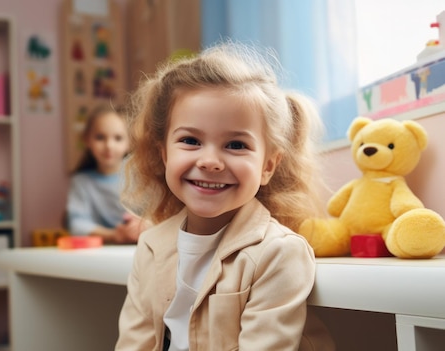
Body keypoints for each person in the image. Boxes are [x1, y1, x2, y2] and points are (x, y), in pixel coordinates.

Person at [115, 41, 335, 350]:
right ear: (164, 154)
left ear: (268, 166)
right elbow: (134, 343)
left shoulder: (278, 253)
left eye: (235, 145)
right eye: (191, 140)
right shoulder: (152, 245)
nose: (210, 161)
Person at [66, 104, 147, 244]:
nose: (109, 145)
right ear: (87, 140)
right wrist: (113, 235)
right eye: (100, 137)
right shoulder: (81, 182)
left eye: (118, 138)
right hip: (103, 254)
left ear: (129, 142)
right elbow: (76, 224)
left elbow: (161, 215)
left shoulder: (143, 176)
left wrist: (143, 225)